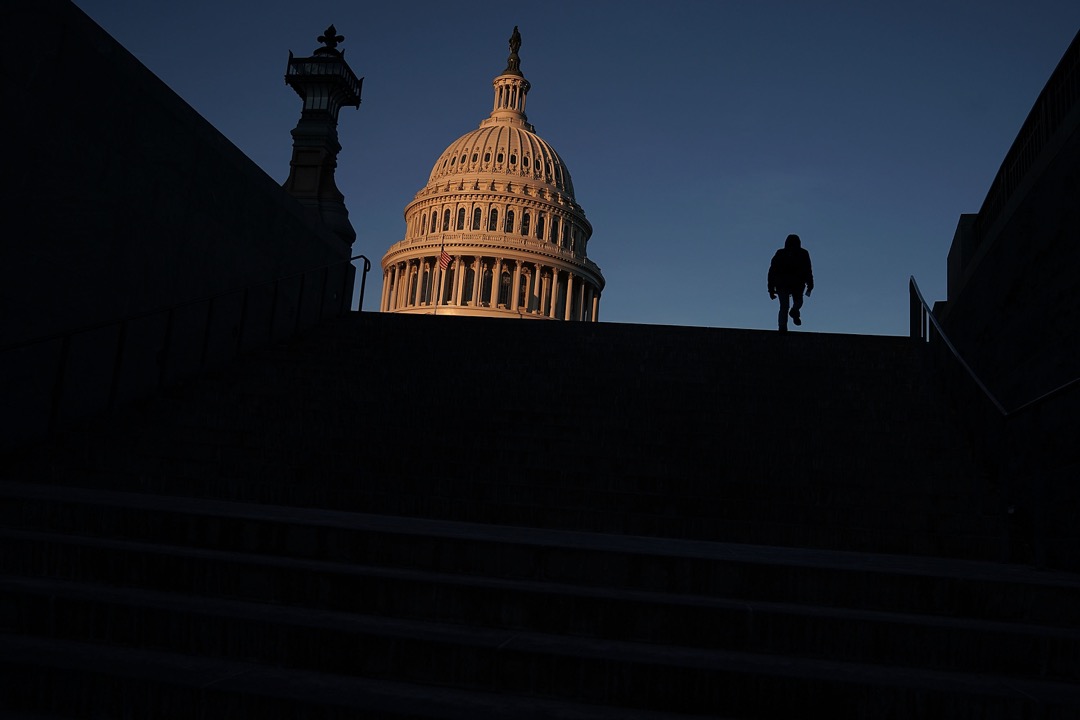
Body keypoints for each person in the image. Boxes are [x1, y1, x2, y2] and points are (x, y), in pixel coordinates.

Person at [768, 234, 814, 333]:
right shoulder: (799, 253)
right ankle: (786, 323)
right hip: (789, 283)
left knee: (790, 305)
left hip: (790, 284)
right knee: (789, 304)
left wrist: (771, 288)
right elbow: (772, 270)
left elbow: (772, 271)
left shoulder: (799, 253)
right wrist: (810, 284)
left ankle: (789, 318)